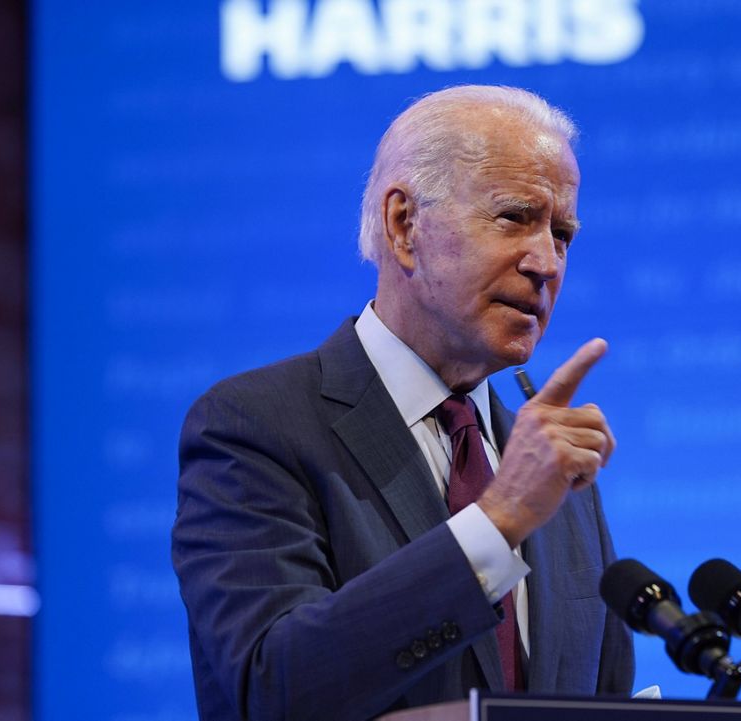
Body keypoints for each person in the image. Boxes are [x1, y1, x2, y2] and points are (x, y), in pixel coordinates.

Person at [171, 85, 634, 721]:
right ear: (404, 225)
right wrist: (496, 522)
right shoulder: (254, 426)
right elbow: (271, 687)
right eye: (514, 218)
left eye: (562, 234)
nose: (545, 262)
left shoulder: (548, 470)